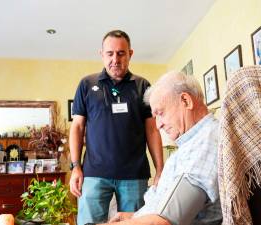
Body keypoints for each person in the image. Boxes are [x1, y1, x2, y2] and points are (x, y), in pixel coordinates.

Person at [93, 71, 223, 225]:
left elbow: (165, 222)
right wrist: (135, 216)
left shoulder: (205, 143)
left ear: (186, 101)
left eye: (160, 113)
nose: (158, 125)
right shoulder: (193, 142)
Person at [69, 30, 164, 225]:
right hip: (94, 173)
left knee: (136, 223)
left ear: (130, 53)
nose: (115, 59)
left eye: (121, 53)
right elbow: (77, 127)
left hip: (134, 175)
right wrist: (76, 167)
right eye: (110, 53)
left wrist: (160, 169)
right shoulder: (87, 85)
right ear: (101, 54)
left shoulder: (143, 85)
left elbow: (152, 130)